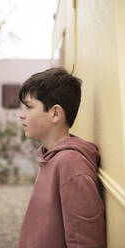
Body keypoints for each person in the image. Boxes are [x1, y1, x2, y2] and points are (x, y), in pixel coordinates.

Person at [18, 67, 105, 248]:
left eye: (28, 106)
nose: (21, 114)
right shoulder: (50, 156)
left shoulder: (71, 164)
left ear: (55, 113)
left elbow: (84, 242)